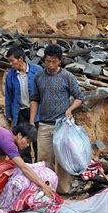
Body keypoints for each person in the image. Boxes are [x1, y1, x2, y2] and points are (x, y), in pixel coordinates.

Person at [29, 44, 84, 194]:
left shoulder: (67, 76)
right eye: (48, 61)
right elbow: (34, 99)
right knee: (43, 159)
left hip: (62, 126)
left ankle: (63, 190)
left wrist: (70, 109)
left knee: (62, 160)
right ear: (44, 61)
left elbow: (79, 97)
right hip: (44, 125)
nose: (51, 65)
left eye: (54, 62)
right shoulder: (39, 76)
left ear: (60, 61)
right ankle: (46, 189)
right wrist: (32, 120)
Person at [5, 46, 42, 162]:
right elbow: (8, 96)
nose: (11, 64)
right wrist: (9, 113)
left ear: (20, 59)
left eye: (12, 60)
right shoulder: (10, 75)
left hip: (37, 112)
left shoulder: (37, 70)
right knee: (23, 144)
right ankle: (27, 166)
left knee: (37, 141)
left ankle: (39, 166)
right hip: (20, 112)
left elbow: (43, 91)